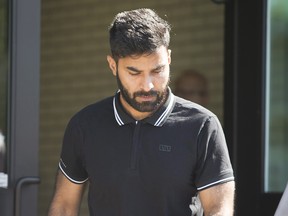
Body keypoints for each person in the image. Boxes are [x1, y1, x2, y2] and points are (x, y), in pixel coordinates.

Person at [48, 8, 235, 216]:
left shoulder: (202, 125)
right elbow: (64, 206)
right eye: (134, 72)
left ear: (169, 59)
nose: (148, 86)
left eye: (157, 70)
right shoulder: (84, 126)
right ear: (112, 65)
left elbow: (219, 210)